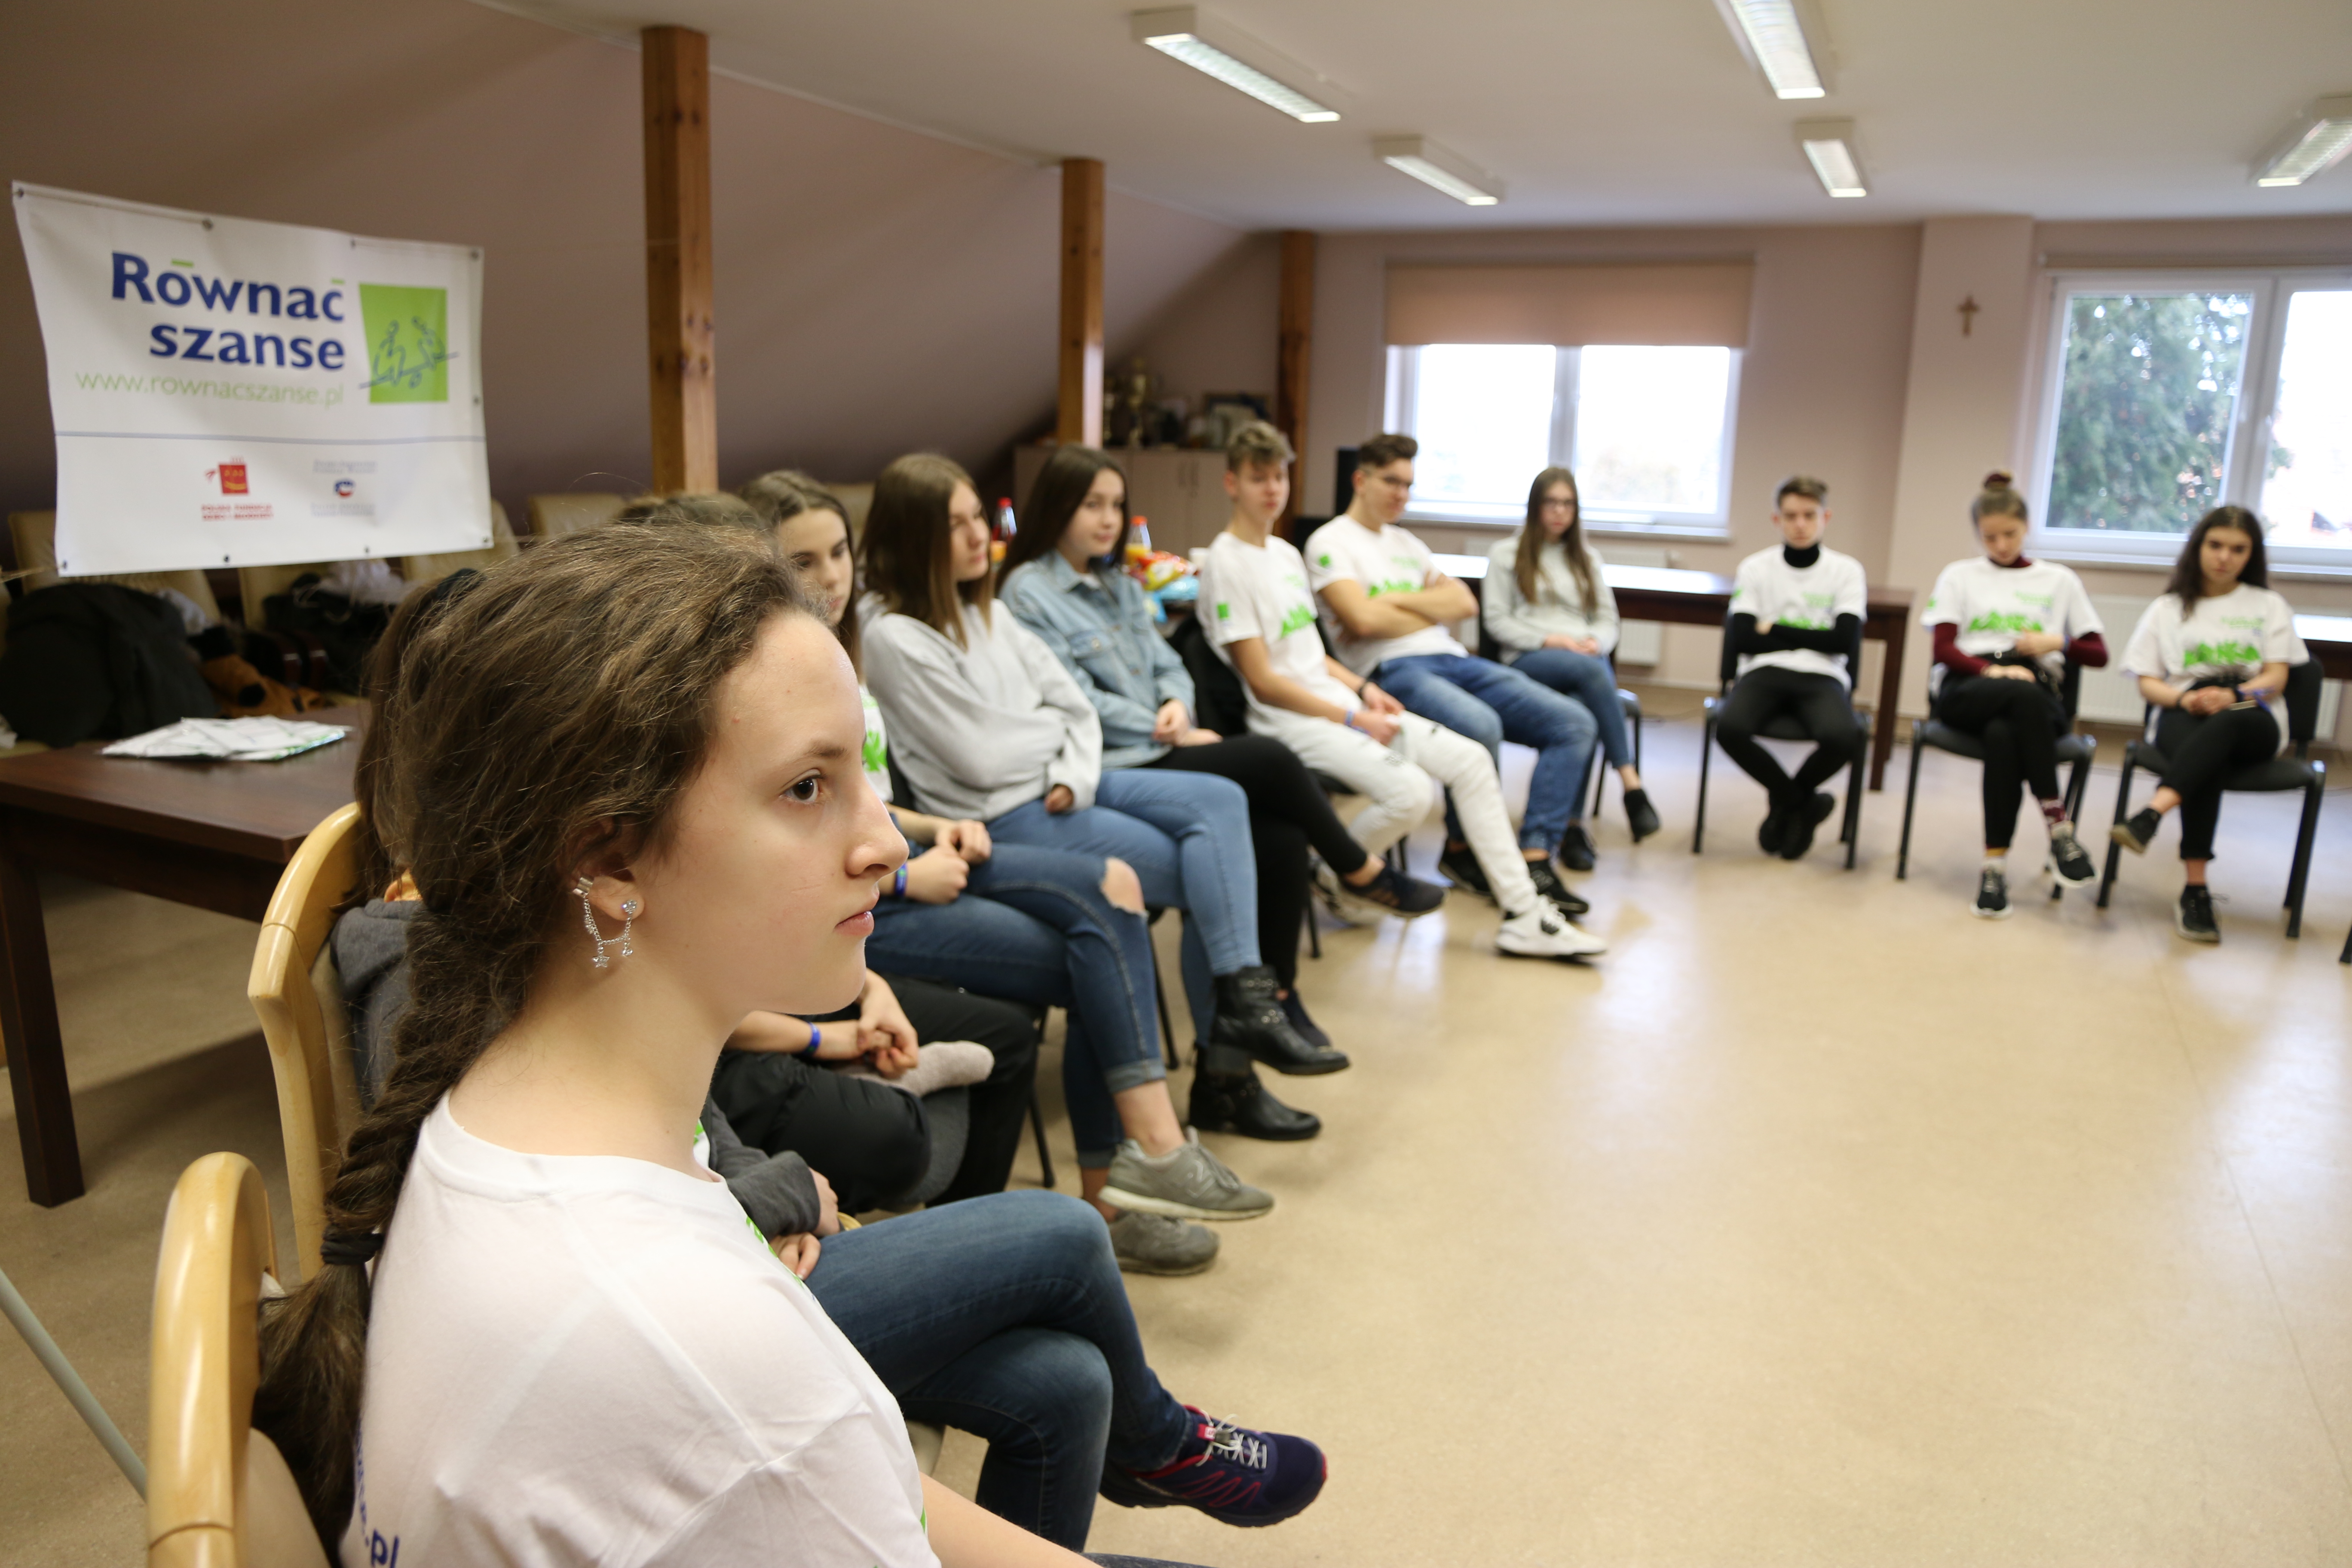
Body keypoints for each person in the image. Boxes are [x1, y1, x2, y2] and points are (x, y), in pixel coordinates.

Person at [253, 527, 1326, 1566]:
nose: (883, 843)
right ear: (607, 863)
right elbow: (773, 1441)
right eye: (807, 788)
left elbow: (851, 1486)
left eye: (857, 776)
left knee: (1057, 1380)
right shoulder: (711, 1352)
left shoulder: (510, 1107)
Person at [742, 470, 1281, 1273]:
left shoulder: (845, 650)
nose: (830, 577)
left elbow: (869, 798)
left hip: (917, 856)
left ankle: (1120, 1190)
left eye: (838, 553)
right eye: (804, 561)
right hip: (868, 901)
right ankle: (1139, 1168)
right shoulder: (823, 661)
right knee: (1109, 913)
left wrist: (932, 830)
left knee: (1115, 920)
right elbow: (805, 841)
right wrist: (907, 873)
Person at [860, 453, 1344, 1084]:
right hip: (1001, 816)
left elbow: (1076, 710)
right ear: (912, 535)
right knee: (1217, 870)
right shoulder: (896, 635)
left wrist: (1069, 765)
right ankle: (1231, 1061)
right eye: (957, 524)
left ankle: (1241, 1007)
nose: (980, 534)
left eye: (979, 516)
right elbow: (984, 759)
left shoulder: (991, 612)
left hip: (1063, 788)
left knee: (1225, 804)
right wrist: (1054, 731)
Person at [998, 444, 1446, 1095]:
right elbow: (1071, 697)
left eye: (1117, 505)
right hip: (1112, 757)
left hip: (1162, 738)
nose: (1109, 519)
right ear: (1057, 507)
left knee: (1281, 838)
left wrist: (1178, 704)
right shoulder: (1028, 592)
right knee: (1270, 758)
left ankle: (1265, 1017)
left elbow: (1167, 663)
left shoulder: (1119, 582)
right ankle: (1357, 869)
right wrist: (1162, 724)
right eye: (1092, 505)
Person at [1194, 422, 1605, 961]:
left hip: (1342, 702)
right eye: (1258, 479)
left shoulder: (1284, 554)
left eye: (1280, 477)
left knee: (1471, 760)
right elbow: (1264, 682)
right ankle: (1340, 871)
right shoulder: (1226, 563)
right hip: (1292, 722)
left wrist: (1364, 691)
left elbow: (1311, 655)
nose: (1273, 489)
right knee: (1411, 792)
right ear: (1232, 483)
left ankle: (1525, 915)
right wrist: (1352, 719)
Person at [1304, 434, 1600, 914]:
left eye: (1408, 485)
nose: (1401, 494)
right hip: (1388, 670)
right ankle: (1462, 852)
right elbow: (1362, 622)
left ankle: (1535, 857)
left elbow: (1464, 603)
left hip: (1453, 658)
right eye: (1391, 481)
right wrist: (1425, 609)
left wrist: (1389, 602)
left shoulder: (1408, 543)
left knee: (1575, 723)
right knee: (1481, 725)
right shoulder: (1330, 542)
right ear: (1360, 480)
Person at [2109, 506, 2306, 943]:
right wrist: (2184, 699)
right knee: (2206, 757)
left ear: (2251, 555)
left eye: (2238, 549)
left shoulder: (2269, 605)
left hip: (2251, 710)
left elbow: (2276, 678)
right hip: (2184, 707)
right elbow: (2147, 682)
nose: (2224, 558)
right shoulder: (2167, 608)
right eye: (2215, 545)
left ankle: (2152, 812)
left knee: (2222, 730)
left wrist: (2234, 695)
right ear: (2198, 547)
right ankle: (2195, 890)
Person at [1919, 472, 2107, 918]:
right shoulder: (1959, 575)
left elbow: (2098, 653)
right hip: (1969, 686)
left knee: (2005, 733)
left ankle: (1994, 869)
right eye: (1990, 537)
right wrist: (1993, 670)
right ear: (1978, 534)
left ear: (2027, 527)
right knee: (2017, 697)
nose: (2001, 545)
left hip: (2037, 691)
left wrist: (2057, 642)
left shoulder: (2059, 580)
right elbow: (1943, 648)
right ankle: (2059, 827)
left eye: (2010, 534)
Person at [1481, 465, 1663, 867]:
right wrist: (1553, 640)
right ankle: (1630, 782)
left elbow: (1608, 620)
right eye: (1551, 503)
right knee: (1594, 670)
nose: (1560, 511)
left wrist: (1596, 642)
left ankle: (1571, 825)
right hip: (1528, 658)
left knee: (1584, 708)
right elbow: (1496, 622)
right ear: (1535, 506)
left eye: (1568, 504)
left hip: (1581, 658)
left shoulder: (1587, 558)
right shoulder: (1505, 554)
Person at [1717, 475, 1868, 860]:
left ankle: (1785, 804)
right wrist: (1811, 636)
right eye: (1791, 516)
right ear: (1777, 520)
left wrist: (1774, 628)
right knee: (1729, 728)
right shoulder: (1755, 568)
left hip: (1823, 673)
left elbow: (1843, 642)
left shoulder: (1846, 571)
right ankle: (1801, 803)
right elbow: (1744, 639)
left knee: (1844, 736)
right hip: (1764, 670)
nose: (1800, 524)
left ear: (1825, 517)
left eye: (1809, 515)